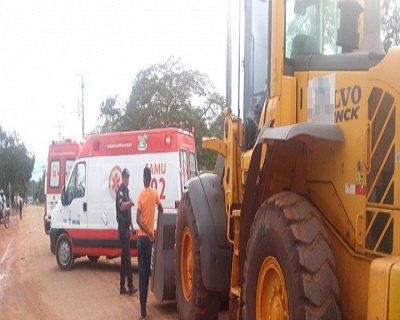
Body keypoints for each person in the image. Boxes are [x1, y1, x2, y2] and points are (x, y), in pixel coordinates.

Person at [136, 166, 163, 320]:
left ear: (143, 179)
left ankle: (143, 311)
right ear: (151, 179)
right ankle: (144, 308)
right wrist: (153, 229)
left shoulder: (141, 195)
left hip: (141, 239)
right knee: (147, 274)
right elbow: (160, 209)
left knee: (142, 274)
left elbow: (137, 219)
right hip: (150, 240)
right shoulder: (154, 194)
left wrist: (145, 231)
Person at [116, 168, 137, 296]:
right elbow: (121, 206)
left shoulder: (126, 192)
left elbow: (128, 212)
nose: (127, 180)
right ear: (122, 178)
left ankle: (122, 286)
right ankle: (130, 285)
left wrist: (132, 226)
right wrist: (130, 203)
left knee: (124, 258)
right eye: (126, 178)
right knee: (127, 257)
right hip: (122, 229)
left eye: (128, 178)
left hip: (127, 228)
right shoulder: (120, 192)